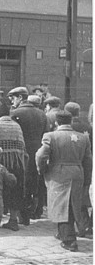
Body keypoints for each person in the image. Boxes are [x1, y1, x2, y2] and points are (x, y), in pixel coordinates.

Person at [36, 111, 92, 252]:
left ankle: (69, 240)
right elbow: (88, 160)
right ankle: (63, 233)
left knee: (61, 206)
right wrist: (87, 179)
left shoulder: (50, 136)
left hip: (59, 173)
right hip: (77, 172)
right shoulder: (83, 137)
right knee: (73, 204)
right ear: (71, 121)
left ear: (56, 122)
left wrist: (43, 169)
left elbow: (41, 155)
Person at [8, 86, 48, 225]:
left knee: (21, 183)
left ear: (20, 98)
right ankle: (34, 209)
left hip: (22, 153)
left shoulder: (15, 113)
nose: (12, 101)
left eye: (13, 98)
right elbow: (46, 134)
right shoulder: (42, 114)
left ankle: (23, 215)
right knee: (34, 182)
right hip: (37, 152)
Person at [0, 102, 27, 232]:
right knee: (15, 190)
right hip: (17, 163)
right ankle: (13, 220)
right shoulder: (16, 125)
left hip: (0, 163)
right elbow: (22, 146)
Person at [64, 102, 93, 238]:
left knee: (71, 199)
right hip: (85, 164)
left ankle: (75, 227)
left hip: (71, 165)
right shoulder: (87, 126)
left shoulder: (68, 127)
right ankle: (86, 225)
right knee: (82, 197)